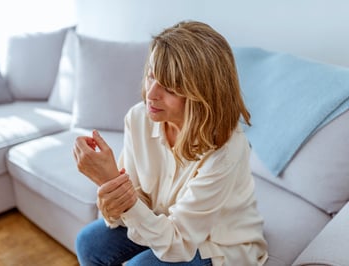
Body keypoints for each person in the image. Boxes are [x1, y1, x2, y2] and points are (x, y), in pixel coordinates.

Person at [73, 20, 268, 266]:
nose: (151, 94)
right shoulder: (138, 118)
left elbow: (180, 245)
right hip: (164, 222)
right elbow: (138, 199)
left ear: (202, 94)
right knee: (89, 243)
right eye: (151, 75)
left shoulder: (227, 148)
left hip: (216, 243)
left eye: (170, 87)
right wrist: (110, 185)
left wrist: (113, 183)